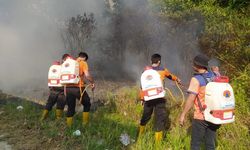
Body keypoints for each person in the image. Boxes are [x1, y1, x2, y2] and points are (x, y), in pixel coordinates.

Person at [179, 54, 221, 150]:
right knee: (210, 144)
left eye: (193, 63)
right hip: (213, 115)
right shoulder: (215, 75)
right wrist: (216, 71)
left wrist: (183, 114)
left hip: (200, 116)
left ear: (197, 65)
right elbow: (218, 73)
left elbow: (191, 99)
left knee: (195, 145)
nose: (192, 65)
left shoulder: (196, 79)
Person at [139, 53, 181, 142]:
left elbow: (142, 86)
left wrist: (142, 99)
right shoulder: (163, 70)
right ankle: (158, 143)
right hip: (159, 99)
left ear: (151, 61)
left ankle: (140, 136)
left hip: (148, 98)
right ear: (159, 61)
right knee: (159, 118)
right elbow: (170, 76)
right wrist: (177, 79)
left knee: (146, 116)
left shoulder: (145, 72)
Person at [65, 52, 95, 127]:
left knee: (71, 107)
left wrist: (84, 81)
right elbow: (87, 75)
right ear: (84, 58)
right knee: (87, 103)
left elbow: (77, 76)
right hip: (78, 88)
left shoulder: (72, 63)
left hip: (68, 88)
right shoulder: (83, 63)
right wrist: (92, 82)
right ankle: (85, 124)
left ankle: (69, 126)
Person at [40, 54, 70, 121]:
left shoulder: (53, 68)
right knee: (60, 104)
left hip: (53, 89)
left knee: (50, 103)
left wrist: (50, 87)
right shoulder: (63, 68)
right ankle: (58, 119)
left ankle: (43, 118)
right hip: (62, 89)